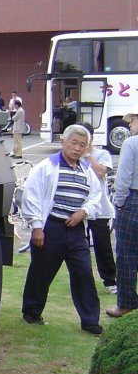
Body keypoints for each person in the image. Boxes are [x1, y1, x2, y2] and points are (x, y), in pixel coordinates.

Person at [20, 124, 103, 335]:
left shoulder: (87, 171)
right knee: (41, 272)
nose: (77, 148)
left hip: (76, 231)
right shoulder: (46, 167)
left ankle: (90, 320)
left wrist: (83, 212)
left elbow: (96, 197)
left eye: (82, 145)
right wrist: (37, 227)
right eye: (73, 143)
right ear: (63, 142)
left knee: (84, 273)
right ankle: (31, 312)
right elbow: (32, 198)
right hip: (52, 227)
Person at [80, 123, 118, 294]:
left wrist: (87, 155)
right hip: (79, 209)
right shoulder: (72, 155)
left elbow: (101, 172)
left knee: (103, 247)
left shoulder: (102, 154)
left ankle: (110, 281)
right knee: (80, 247)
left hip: (100, 209)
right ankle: (84, 281)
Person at [108, 106, 138, 318]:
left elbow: (123, 178)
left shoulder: (131, 143)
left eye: (133, 119)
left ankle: (126, 302)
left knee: (126, 254)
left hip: (133, 200)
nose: (129, 123)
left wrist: (119, 204)